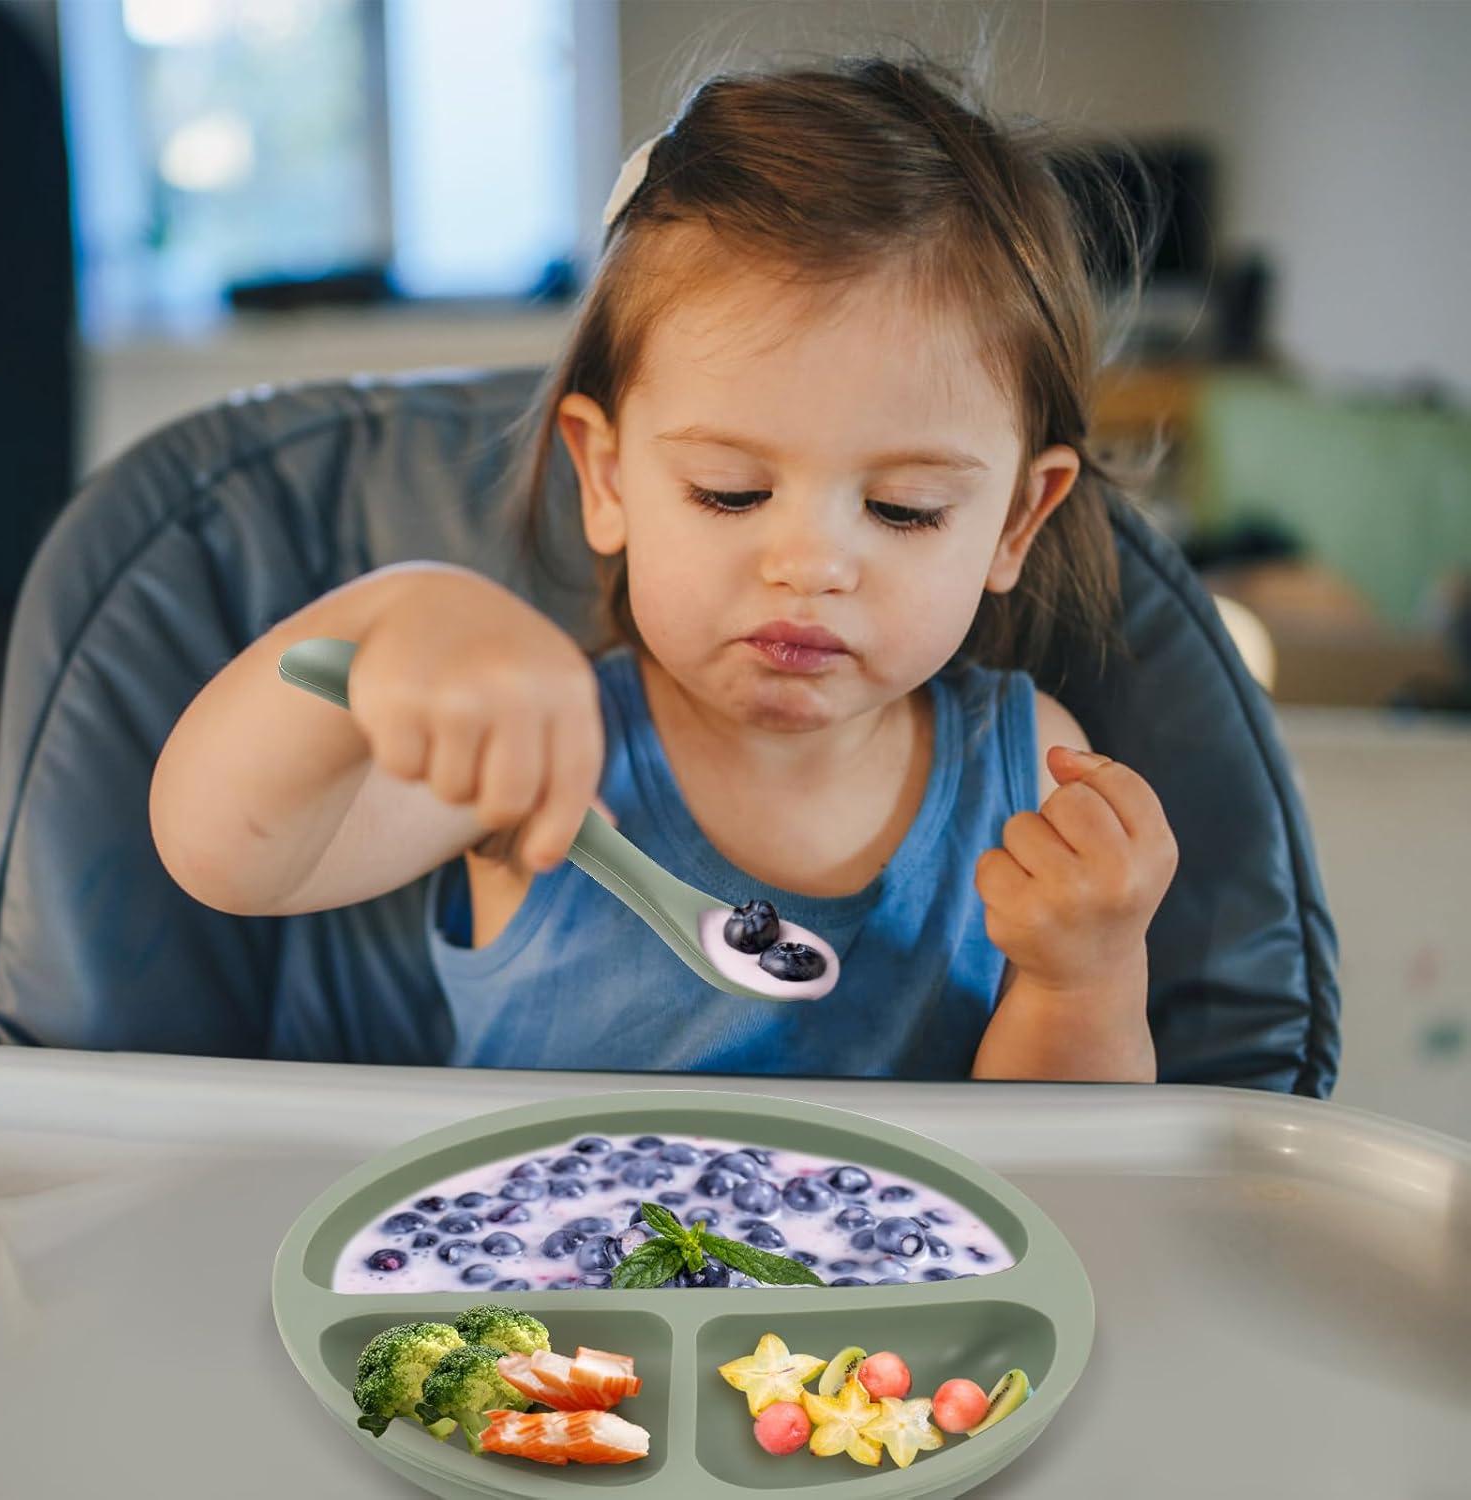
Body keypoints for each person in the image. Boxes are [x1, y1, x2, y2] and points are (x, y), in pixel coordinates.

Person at [150, 49, 1179, 1083]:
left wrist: (1080, 977)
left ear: (1013, 521)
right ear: (605, 479)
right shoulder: (531, 763)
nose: (811, 565)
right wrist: (390, 621)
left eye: (903, 510)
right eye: (730, 492)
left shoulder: (1032, 777)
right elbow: (219, 855)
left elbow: (1059, 1173)